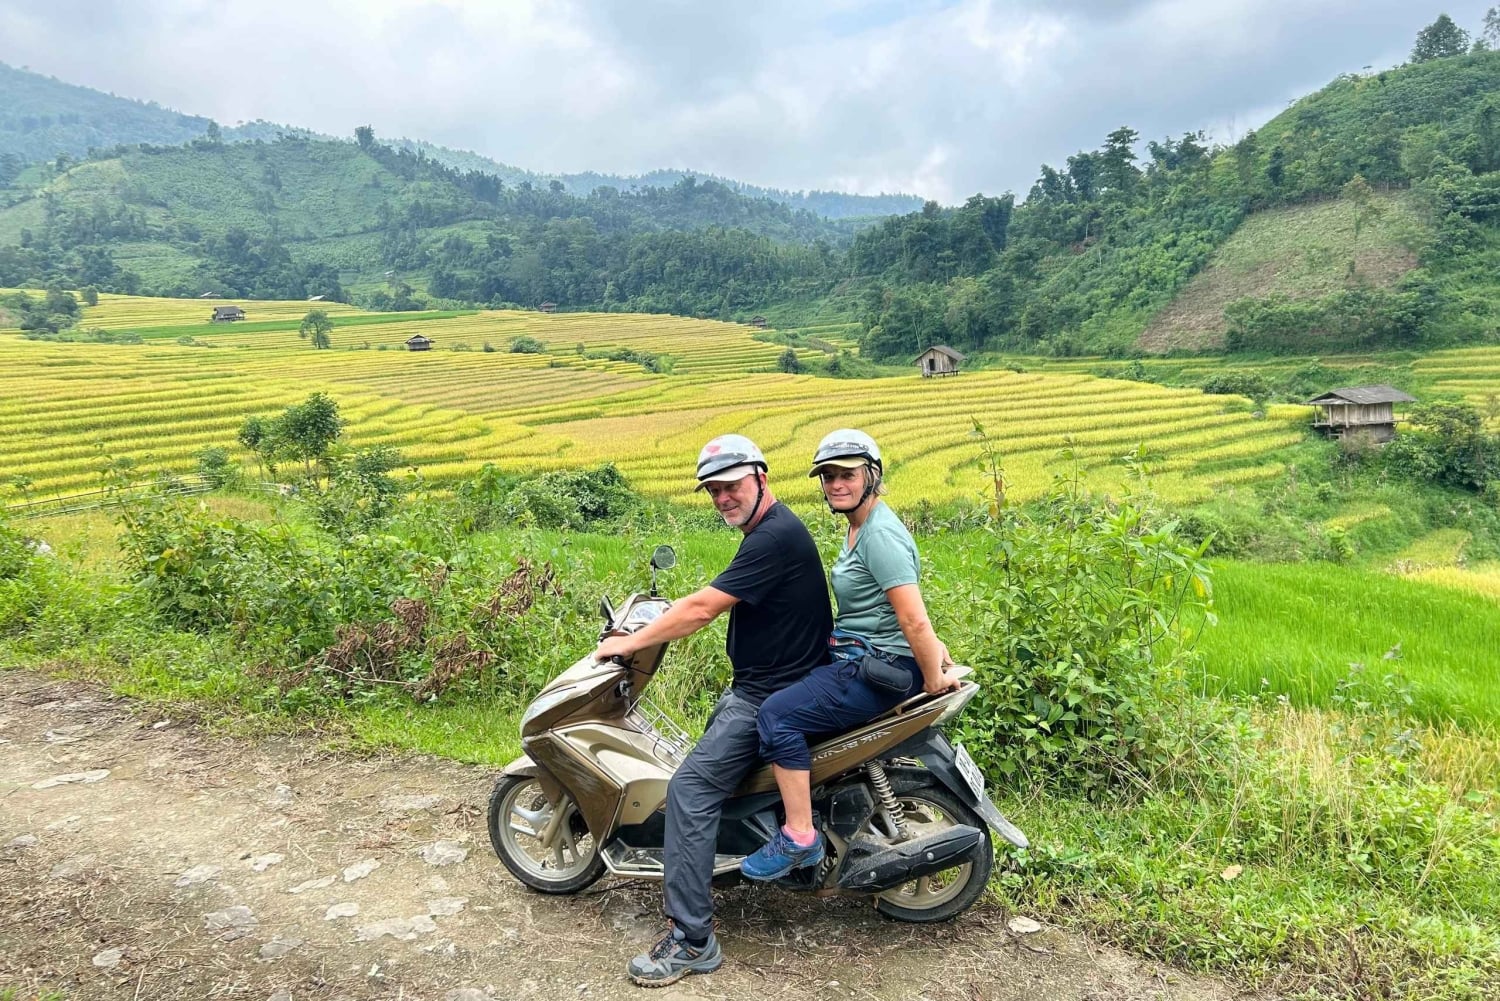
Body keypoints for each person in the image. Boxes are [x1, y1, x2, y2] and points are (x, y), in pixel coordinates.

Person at [592, 433, 832, 987]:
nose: (722, 497)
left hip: (767, 694)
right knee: (713, 775)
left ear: (761, 479)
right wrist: (653, 619)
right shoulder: (773, 530)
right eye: (713, 490)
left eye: (731, 485)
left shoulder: (773, 538)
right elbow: (711, 594)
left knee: (690, 792)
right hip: (774, 682)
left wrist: (628, 643)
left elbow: (701, 608)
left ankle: (691, 939)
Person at [741, 429, 961, 881]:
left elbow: (912, 618)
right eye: (827, 476)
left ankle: (800, 834)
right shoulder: (862, 526)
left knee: (777, 717)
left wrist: (933, 675)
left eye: (847, 474)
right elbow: (893, 608)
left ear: (872, 476)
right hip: (863, 658)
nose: (836, 484)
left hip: (876, 669)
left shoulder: (879, 535)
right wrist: (936, 652)